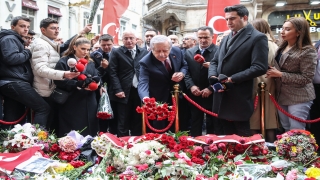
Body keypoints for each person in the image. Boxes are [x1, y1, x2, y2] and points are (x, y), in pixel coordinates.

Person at [208, 4, 268, 136]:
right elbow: (215, 61)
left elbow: (260, 67)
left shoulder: (257, 37)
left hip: (239, 95)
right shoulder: (226, 37)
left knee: (242, 137)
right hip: (221, 94)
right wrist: (212, 76)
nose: (228, 22)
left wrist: (232, 79)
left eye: (232, 18)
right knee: (226, 135)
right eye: (227, 19)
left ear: (244, 17)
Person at [30, 18, 90, 132]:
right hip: (44, 89)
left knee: (51, 123)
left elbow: (66, 44)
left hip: (51, 88)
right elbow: (40, 69)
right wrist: (64, 74)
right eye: (53, 28)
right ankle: (38, 144)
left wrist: (81, 32)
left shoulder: (50, 43)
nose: (57, 31)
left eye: (58, 28)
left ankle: (46, 144)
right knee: (44, 120)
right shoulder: (41, 45)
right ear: (43, 30)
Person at [266, 17, 317, 132]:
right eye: (282, 28)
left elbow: (306, 78)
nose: (282, 32)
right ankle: (288, 150)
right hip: (281, 95)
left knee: (296, 131)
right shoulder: (281, 47)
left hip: (299, 96)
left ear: (299, 32)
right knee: (286, 129)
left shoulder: (308, 51)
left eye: (288, 29)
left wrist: (280, 74)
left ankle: (299, 150)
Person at [0, 16, 50, 129]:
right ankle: (38, 139)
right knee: (43, 108)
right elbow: (11, 58)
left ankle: (11, 143)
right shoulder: (9, 39)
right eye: (22, 26)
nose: (26, 29)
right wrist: (27, 52)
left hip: (11, 82)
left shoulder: (13, 39)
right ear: (13, 27)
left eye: (27, 27)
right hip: (14, 82)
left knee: (13, 116)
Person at [138, 35, 188, 131]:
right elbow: (143, 83)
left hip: (177, 96)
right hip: (158, 98)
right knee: (160, 128)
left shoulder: (177, 51)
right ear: (151, 49)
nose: (162, 54)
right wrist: (146, 99)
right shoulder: (145, 62)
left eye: (165, 51)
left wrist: (182, 73)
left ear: (170, 48)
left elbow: (184, 65)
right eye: (158, 51)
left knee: (180, 126)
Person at [54, 36, 101, 137]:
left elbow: (97, 75)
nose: (85, 52)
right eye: (83, 49)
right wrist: (77, 85)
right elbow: (58, 80)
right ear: (74, 47)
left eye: (88, 49)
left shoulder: (91, 62)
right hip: (72, 101)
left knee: (91, 128)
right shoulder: (64, 61)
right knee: (73, 129)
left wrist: (97, 83)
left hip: (89, 100)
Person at [109, 31, 148, 137]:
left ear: (136, 40)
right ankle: (123, 145)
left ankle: (137, 143)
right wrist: (118, 89)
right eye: (126, 38)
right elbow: (112, 72)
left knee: (138, 118)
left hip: (139, 91)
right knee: (123, 119)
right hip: (123, 91)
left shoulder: (144, 52)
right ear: (122, 40)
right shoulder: (116, 52)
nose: (129, 40)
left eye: (131, 38)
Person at [184, 26, 220, 137]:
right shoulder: (189, 52)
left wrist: (211, 88)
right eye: (200, 37)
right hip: (195, 94)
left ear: (212, 37)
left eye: (206, 37)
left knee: (213, 124)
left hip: (213, 95)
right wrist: (191, 86)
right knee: (195, 122)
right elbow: (186, 71)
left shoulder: (219, 51)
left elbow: (224, 75)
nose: (203, 40)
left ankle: (213, 148)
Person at [250, 18, 279, 142]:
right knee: (269, 117)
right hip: (270, 82)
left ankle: (256, 146)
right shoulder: (274, 43)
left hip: (259, 81)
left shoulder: (261, 42)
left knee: (255, 118)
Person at [90, 34, 117, 135]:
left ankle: (114, 134)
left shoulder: (117, 53)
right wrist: (102, 67)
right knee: (102, 114)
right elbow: (93, 73)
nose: (106, 47)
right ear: (100, 44)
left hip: (114, 87)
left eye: (109, 44)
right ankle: (102, 134)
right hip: (100, 88)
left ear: (113, 43)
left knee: (115, 113)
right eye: (103, 45)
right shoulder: (94, 55)